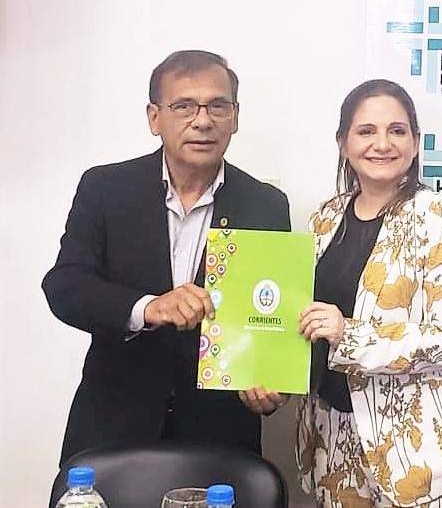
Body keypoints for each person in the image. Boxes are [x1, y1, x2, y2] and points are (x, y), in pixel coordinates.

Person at [42, 50, 291, 466]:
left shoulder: (265, 204)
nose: (203, 121)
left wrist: (270, 380)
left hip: (220, 433)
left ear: (235, 117)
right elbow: (66, 286)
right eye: (184, 106)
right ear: (154, 117)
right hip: (114, 425)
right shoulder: (106, 189)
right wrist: (148, 307)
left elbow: (270, 311)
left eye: (218, 106)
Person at [295, 79, 442, 507]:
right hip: (335, 448)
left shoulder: (441, 219)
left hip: (420, 456)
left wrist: (347, 334)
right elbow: (303, 322)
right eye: (366, 131)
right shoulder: (324, 219)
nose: (382, 143)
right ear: (343, 143)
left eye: (396, 131)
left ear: (415, 143)